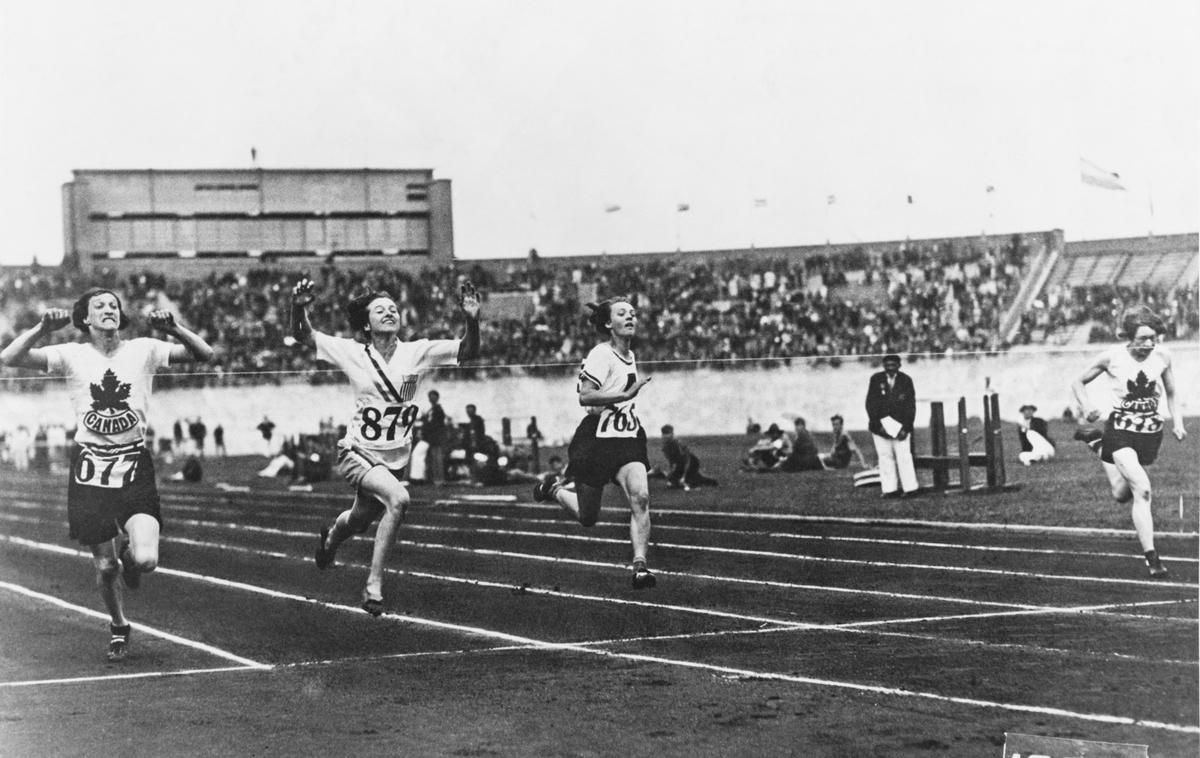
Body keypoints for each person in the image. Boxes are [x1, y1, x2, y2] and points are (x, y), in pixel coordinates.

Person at [0, 289, 213, 661]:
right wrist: (42, 328)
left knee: (146, 560)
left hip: (132, 463)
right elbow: (9, 357)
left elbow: (205, 354)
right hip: (89, 470)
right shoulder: (71, 354)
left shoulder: (143, 349)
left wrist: (175, 328)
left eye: (113, 305)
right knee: (104, 566)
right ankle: (119, 624)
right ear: (84, 318)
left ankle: (131, 554)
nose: (108, 310)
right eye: (99, 306)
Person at [292, 276, 481, 615]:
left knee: (360, 520)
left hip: (394, 458)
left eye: (393, 308)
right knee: (399, 499)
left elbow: (468, 350)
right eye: (380, 310)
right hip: (357, 451)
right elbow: (306, 336)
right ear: (366, 322)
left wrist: (471, 319)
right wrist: (299, 309)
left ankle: (331, 539)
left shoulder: (417, 352)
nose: (390, 313)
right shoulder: (353, 352)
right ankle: (373, 584)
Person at [531, 296, 656, 589]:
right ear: (608, 323)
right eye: (622, 313)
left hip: (626, 437)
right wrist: (623, 397)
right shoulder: (601, 354)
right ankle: (554, 489)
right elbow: (585, 396)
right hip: (596, 441)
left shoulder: (630, 354)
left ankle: (640, 566)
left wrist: (626, 404)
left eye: (633, 314)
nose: (630, 317)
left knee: (640, 497)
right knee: (588, 516)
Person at [1070, 306, 1186, 578]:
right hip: (1120, 430)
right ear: (1128, 336)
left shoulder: (1163, 357)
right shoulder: (1112, 357)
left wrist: (1177, 422)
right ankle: (1152, 558)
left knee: (1122, 493)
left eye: (1153, 338)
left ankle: (1098, 444)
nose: (1148, 344)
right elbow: (1078, 382)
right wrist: (1086, 406)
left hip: (1149, 433)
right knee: (1143, 489)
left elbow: (1171, 391)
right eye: (1142, 338)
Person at [865, 353, 919, 498]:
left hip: (900, 427)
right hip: (881, 426)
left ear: (899, 366)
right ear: (883, 366)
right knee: (885, 457)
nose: (890, 368)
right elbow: (870, 404)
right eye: (887, 365)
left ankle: (910, 488)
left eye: (893, 365)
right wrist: (878, 426)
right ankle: (889, 489)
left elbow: (910, 407)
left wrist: (906, 428)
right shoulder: (876, 380)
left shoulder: (906, 381)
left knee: (904, 456)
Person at [659, 424, 719, 489]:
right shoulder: (665, 447)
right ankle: (701, 480)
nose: (665, 436)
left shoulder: (677, 444)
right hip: (680, 464)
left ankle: (707, 482)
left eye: (667, 433)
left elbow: (687, 460)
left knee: (685, 481)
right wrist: (671, 472)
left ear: (672, 434)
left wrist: (684, 475)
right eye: (664, 434)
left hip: (691, 463)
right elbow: (671, 461)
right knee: (672, 482)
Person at [421, 390, 448, 485]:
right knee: (433, 458)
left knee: (437, 459)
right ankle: (435, 478)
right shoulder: (431, 410)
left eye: (433, 397)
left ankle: (439, 478)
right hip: (432, 437)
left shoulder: (438, 410)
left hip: (437, 437)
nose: (431, 398)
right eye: (430, 397)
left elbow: (438, 424)